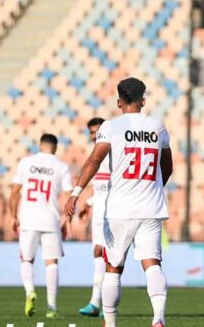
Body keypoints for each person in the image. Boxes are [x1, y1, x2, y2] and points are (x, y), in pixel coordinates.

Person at [65, 77, 173, 327]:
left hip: (119, 209)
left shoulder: (111, 127)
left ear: (118, 102)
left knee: (113, 267)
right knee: (152, 264)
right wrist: (154, 187)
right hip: (151, 207)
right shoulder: (158, 127)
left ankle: (111, 323)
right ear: (143, 100)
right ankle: (158, 318)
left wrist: (76, 192)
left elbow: (94, 161)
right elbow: (167, 166)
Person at [10, 133, 73, 318]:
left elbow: (14, 193)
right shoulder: (61, 166)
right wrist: (67, 220)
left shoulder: (26, 162)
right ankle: (52, 308)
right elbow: (70, 196)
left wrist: (13, 216)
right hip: (50, 220)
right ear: (55, 147)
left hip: (28, 219)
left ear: (40, 145)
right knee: (51, 263)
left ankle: (30, 291)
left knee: (26, 260)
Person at [77, 117, 110, 317]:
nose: (94, 135)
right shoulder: (95, 156)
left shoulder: (113, 153)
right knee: (99, 256)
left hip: (111, 213)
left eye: (97, 131)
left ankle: (101, 304)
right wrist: (88, 204)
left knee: (105, 256)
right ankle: (97, 303)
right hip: (98, 212)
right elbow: (100, 188)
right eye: (91, 132)